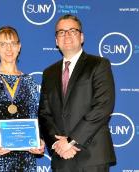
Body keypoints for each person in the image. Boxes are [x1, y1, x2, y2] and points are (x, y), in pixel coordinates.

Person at [38, 14, 116, 172]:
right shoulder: (49, 73)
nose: (66, 35)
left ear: (81, 37)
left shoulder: (99, 65)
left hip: (93, 157)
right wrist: (57, 144)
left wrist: (71, 140)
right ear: (56, 41)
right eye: (61, 32)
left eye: (72, 31)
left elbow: (103, 107)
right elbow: (44, 114)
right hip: (62, 159)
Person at [0, 26, 45, 172]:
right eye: (3, 44)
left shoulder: (28, 80)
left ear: (19, 47)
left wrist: (39, 141)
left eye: (12, 43)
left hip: (26, 158)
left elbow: (35, 117)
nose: (8, 48)